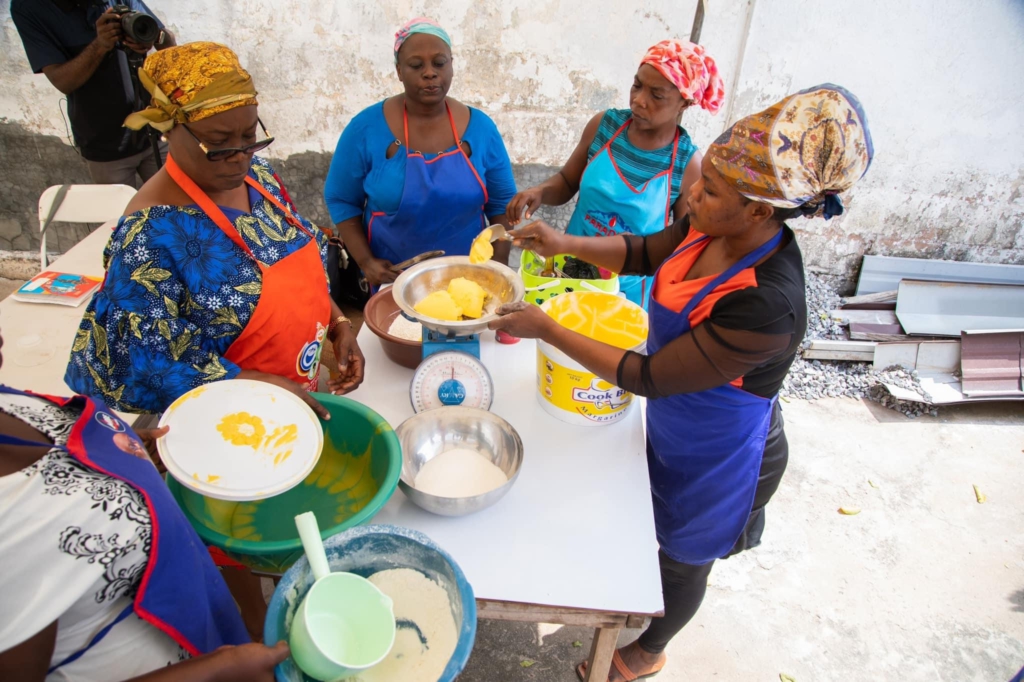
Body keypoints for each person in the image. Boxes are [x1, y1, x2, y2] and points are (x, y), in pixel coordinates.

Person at [490, 85, 874, 681]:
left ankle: (648, 650)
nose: (692, 192)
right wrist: (564, 241)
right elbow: (646, 252)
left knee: (683, 561)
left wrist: (544, 327)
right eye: (703, 179)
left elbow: (647, 375)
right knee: (642, 522)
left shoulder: (769, 302)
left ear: (758, 212)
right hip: (673, 421)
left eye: (711, 188)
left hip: (719, 454)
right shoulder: (707, 225)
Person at [65, 42, 364, 419]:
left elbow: (293, 269)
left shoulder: (259, 179)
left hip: (295, 395)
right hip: (219, 419)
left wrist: (337, 326)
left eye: (249, 136)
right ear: (169, 128)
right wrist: (254, 383)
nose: (240, 155)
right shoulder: (150, 234)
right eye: (219, 143)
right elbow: (145, 362)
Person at [0, 329, 290, 680]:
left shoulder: (9, 403)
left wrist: (117, 450)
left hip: (196, 609)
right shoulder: (10, 524)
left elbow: (66, 466)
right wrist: (217, 671)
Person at [506, 40, 724, 309]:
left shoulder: (686, 164)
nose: (639, 100)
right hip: (566, 275)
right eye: (637, 85)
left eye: (656, 95)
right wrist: (539, 192)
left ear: (685, 103)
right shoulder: (605, 126)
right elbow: (566, 182)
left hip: (626, 295)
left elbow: (682, 247)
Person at [324, 17, 517, 289]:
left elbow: (501, 207)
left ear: (451, 65)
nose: (430, 72)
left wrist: (495, 273)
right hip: (394, 281)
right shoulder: (365, 129)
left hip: (469, 283)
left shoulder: (481, 129)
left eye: (439, 63)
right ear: (399, 70)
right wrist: (366, 262)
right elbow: (341, 199)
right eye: (416, 65)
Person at [11, 0, 177, 186]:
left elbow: (168, 44)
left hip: (155, 131)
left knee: (181, 208)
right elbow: (63, 81)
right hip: (105, 145)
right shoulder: (29, 8)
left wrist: (152, 36)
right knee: (119, 212)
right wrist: (100, 44)